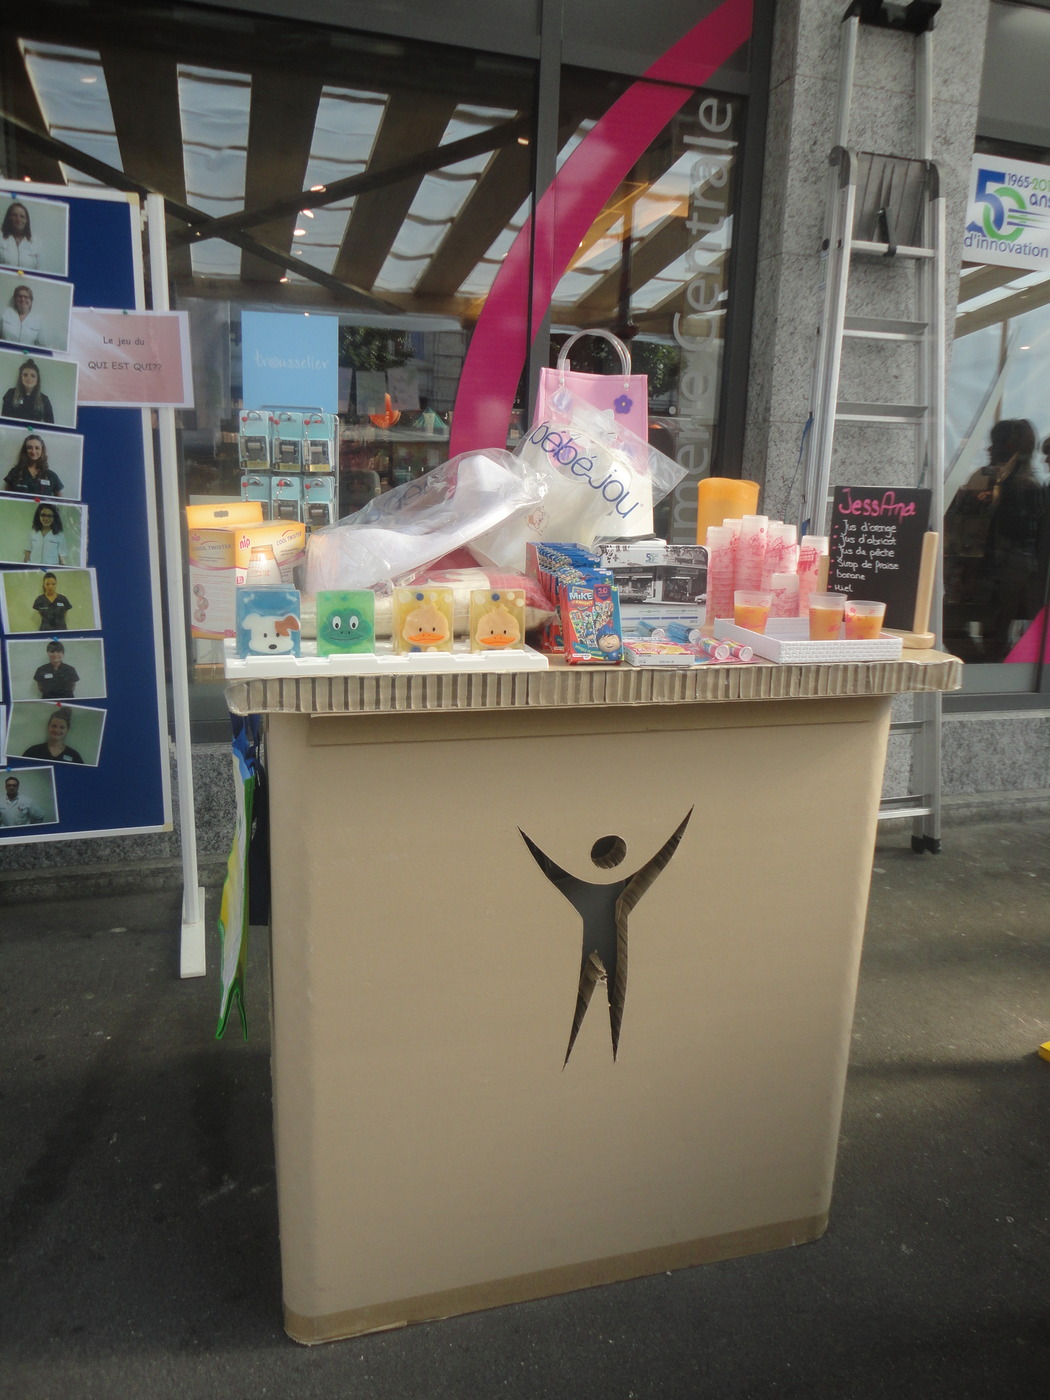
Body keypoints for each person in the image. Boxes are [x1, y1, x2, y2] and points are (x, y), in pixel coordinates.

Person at [2, 358, 55, 423]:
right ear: (21, 377)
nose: (29, 378)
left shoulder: (44, 400)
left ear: (37, 379)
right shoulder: (11, 394)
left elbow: (50, 425)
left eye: (33, 376)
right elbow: (4, 422)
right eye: (25, 375)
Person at [24, 501, 67, 566]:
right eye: (43, 515)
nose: (46, 518)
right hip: (34, 567)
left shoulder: (59, 535)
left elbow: (62, 557)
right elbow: (28, 552)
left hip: (51, 568)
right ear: (38, 516)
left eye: (50, 516)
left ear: (55, 517)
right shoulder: (32, 532)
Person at [0, 201, 38, 271]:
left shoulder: (36, 242)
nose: (18, 219)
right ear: (9, 218)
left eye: (22, 216)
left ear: (26, 220)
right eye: (15, 215)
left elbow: (40, 270)